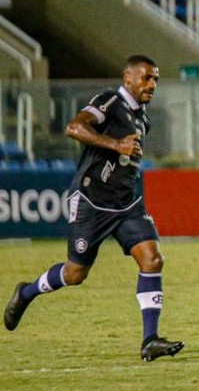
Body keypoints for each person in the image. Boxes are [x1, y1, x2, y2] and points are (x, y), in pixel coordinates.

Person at [4, 55, 184, 362]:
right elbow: (74, 127)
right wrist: (116, 145)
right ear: (128, 79)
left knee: (152, 260)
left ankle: (150, 339)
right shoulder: (109, 101)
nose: (152, 84)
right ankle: (26, 292)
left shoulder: (143, 118)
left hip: (126, 202)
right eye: (146, 78)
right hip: (92, 201)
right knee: (75, 273)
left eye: (155, 79)